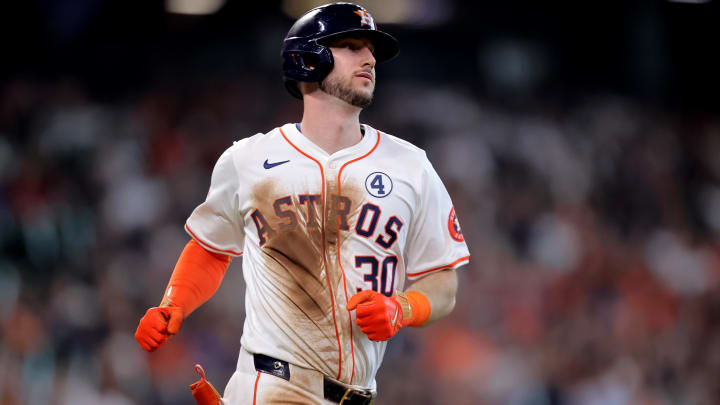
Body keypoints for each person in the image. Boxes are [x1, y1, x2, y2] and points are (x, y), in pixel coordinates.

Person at [134, 3, 470, 404]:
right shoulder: (249, 159)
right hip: (273, 386)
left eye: (371, 50)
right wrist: (174, 303)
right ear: (309, 59)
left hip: (359, 395)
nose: (369, 58)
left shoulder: (411, 165)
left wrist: (403, 308)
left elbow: (444, 282)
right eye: (351, 46)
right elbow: (211, 247)